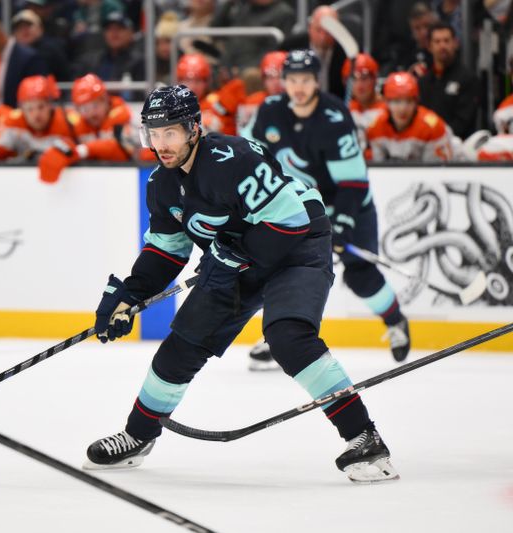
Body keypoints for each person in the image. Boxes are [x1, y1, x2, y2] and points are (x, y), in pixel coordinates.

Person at [82, 84, 399, 485]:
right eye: (153, 134)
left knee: (288, 336)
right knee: (181, 346)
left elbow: (290, 221)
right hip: (237, 258)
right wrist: (130, 293)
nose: (161, 145)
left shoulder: (234, 158)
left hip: (297, 246)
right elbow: (167, 251)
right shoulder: (161, 184)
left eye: (170, 133)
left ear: (193, 128)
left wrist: (235, 253)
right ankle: (137, 436)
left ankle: (365, 437)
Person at [242, 50, 411, 365]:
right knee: (284, 271)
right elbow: (248, 153)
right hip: (299, 207)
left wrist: (342, 224)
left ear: (316, 81)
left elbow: (354, 182)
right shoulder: (270, 111)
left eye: (305, 80)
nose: (299, 87)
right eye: (292, 80)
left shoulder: (334, 117)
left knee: (361, 275)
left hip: (348, 205)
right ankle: (279, 335)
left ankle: (395, 321)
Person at [37, 73, 149, 183]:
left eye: (95, 106)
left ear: (106, 100)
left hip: (128, 182)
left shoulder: (129, 119)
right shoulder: (75, 125)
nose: (91, 113)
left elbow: (122, 150)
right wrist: (62, 150)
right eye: (85, 109)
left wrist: (82, 150)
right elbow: (62, 143)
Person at [365, 72, 454, 162]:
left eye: (409, 101)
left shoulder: (433, 127)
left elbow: (437, 171)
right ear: (386, 102)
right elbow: (377, 169)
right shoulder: (375, 128)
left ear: (416, 102)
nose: (403, 108)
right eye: (397, 101)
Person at [416, 21, 479, 139]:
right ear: (429, 46)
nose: (442, 46)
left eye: (446, 41)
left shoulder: (468, 79)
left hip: (458, 147)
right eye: (437, 42)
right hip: (427, 146)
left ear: (455, 43)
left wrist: (439, 137)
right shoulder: (423, 82)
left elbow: (463, 122)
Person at [281, 6, 347, 98]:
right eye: (318, 30)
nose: (323, 37)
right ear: (310, 27)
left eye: (328, 32)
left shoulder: (348, 51)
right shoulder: (290, 47)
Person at [176, 53, 246, 136]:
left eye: (198, 81)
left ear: (206, 82)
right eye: (187, 80)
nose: (193, 86)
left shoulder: (218, 101)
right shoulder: (172, 105)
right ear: (179, 81)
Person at [342, 53, 385, 149]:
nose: (359, 85)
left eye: (364, 78)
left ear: (375, 79)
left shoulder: (389, 111)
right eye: (353, 79)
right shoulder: (345, 110)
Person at [241, 50, 287, 126]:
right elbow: (243, 134)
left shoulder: (301, 102)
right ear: (263, 80)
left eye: (280, 76)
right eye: (270, 77)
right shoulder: (252, 102)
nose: (275, 82)